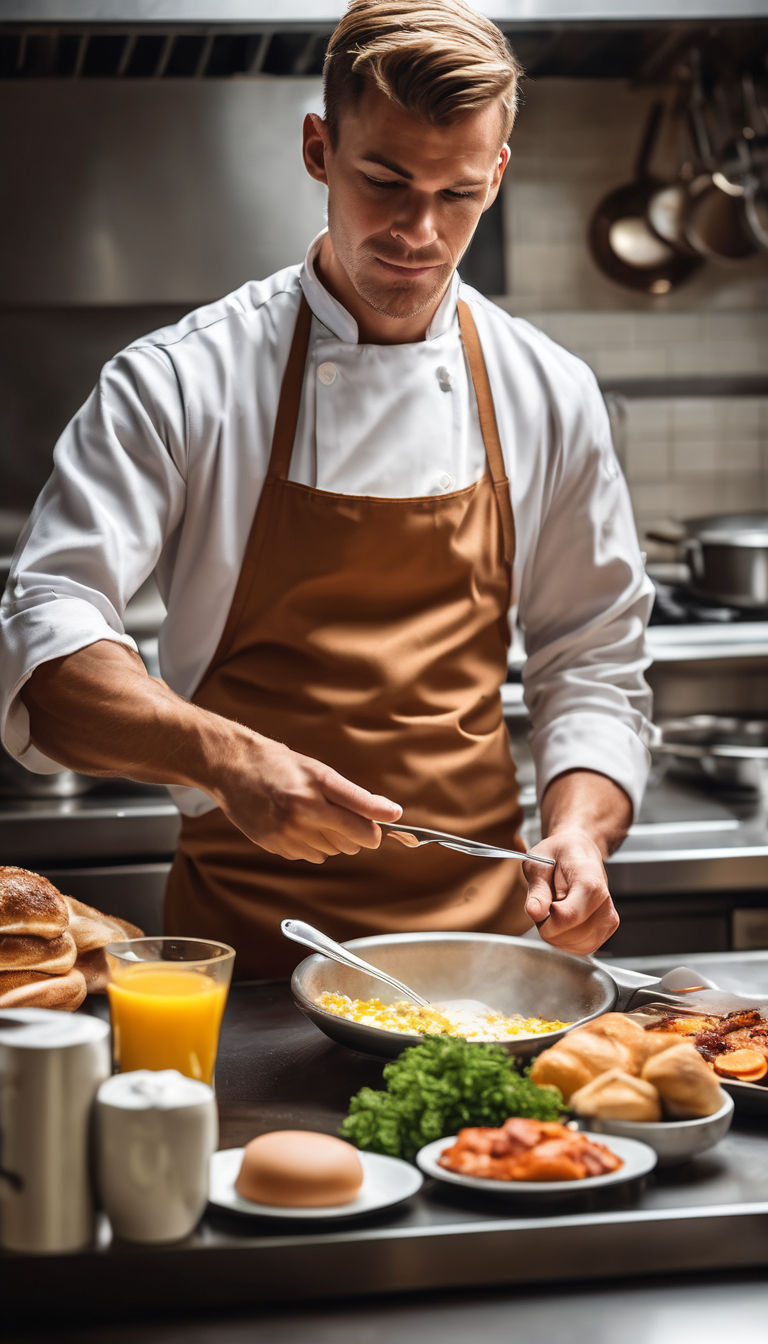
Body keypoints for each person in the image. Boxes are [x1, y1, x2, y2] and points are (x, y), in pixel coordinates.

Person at [0, 0, 654, 979]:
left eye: (458, 193)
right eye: (384, 181)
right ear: (319, 149)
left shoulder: (549, 390)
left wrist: (581, 831)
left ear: (497, 176)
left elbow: (593, 656)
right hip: (245, 957)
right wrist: (223, 757)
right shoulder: (180, 381)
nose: (418, 231)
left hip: (479, 962)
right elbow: (46, 640)